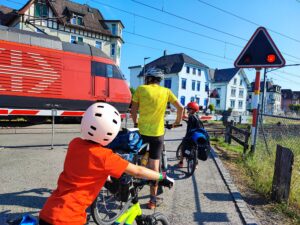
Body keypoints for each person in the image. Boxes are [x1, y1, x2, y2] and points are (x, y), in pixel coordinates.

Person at [39, 103, 174, 225]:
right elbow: (137, 171)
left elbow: (86, 165)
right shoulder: (106, 157)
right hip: (69, 219)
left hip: (48, 211)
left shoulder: (74, 143)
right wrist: (161, 177)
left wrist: (105, 174)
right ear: (111, 133)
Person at [131, 67, 184, 209]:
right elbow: (180, 108)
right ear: (159, 80)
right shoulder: (166, 91)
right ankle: (152, 201)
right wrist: (177, 122)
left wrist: (135, 121)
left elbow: (133, 109)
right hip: (157, 133)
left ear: (149, 78)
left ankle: (133, 188)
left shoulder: (141, 89)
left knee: (138, 161)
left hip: (142, 131)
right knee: (154, 167)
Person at [178, 101, 203, 168]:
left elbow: (183, 116)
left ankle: (181, 163)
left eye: (189, 109)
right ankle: (196, 163)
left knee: (182, 147)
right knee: (196, 148)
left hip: (190, 136)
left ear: (192, 109)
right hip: (197, 136)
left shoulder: (191, 117)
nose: (188, 110)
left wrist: (183, 110)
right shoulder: (197, 116)